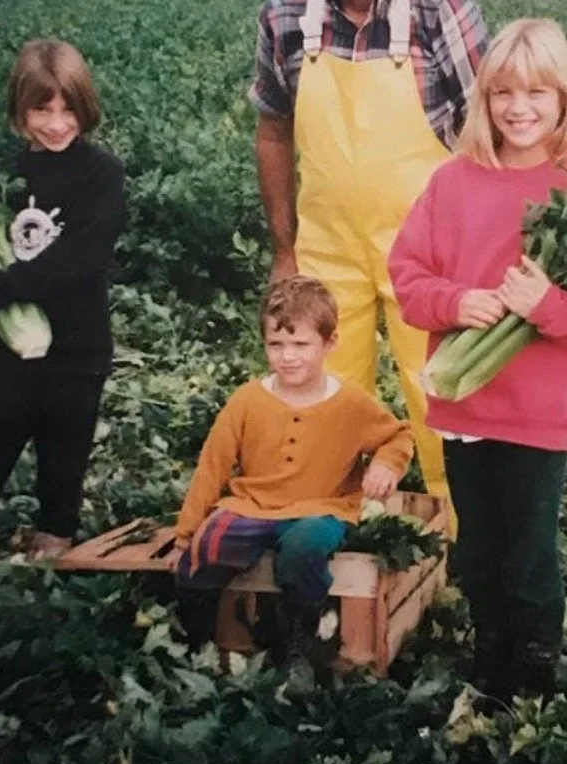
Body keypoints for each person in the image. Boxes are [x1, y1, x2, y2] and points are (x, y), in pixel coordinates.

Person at [388, 18, 567, 704]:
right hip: (464, 409)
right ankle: (489, 657)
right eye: (503, 92)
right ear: (483, 99)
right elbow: (405, 274)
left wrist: (547, 305)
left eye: (537, 92)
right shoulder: (454, 182)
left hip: (537, 414)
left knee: (529, 555)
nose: (519, 107)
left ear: (565, 101)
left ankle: (532, 680)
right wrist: (454, 302)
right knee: (477, 550)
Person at [250, 0, 488, 513]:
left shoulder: (442, 13)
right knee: (321, 405)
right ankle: (330, 539)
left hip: (433, 258)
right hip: (329, 254)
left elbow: (488, 139)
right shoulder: (286, 21)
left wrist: (489, 256)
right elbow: (273, 131)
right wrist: (284, 249)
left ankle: (456, 547)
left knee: (443, 399)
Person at [0, 39, 125, 615]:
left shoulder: (101, 174)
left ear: (85, 108)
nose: (55, 123)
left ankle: (50, 553)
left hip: (79, 346)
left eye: (67, 109)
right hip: (8, 347)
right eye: (41, 110)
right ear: (21, 111)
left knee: (62, 461)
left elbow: (77, 263)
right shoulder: (3, 170)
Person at [168, 275, 413, 688]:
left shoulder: (350, 402)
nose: (288, 357)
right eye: (276, 345)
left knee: (303, 549)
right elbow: (213, 466)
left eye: (301, 345)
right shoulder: (248, 400)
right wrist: (184, 536)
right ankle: (199, 645)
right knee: (208, 546)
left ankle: (302, 642)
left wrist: (387, 463)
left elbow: (398, 434)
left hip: (322, 506)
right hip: (253, 505)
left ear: (330, 343)